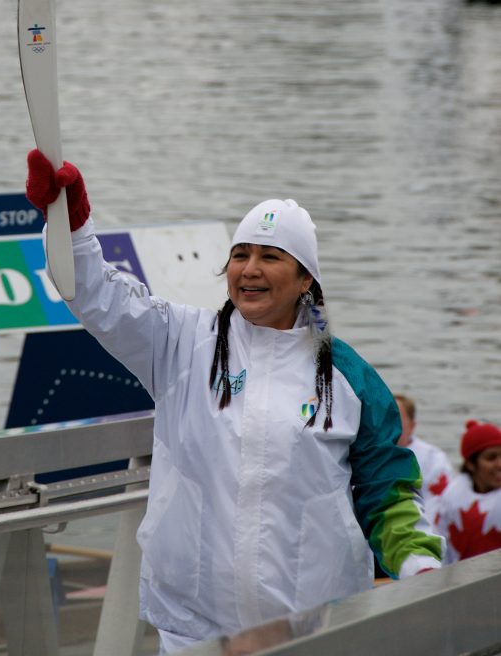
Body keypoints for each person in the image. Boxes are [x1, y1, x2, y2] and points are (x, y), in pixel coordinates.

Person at [25, 151, 444, 654]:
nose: (250, 270)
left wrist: (420, 565)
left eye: (270, 257)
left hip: (313, 630)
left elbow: (387, 492)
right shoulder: (181, 343)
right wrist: (71, 228)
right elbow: (96, 296)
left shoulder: (348, 378)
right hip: (195, 630)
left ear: (306, 277)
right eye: (241, 254)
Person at [435, 420, 501, 563]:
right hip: (462, 580)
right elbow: (440, 548)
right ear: (471, 464)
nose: (499, 464)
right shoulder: (452, 496)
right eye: (491, 458)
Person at [394, 394, 455, 521]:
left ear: (411, 426)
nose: (389, 425)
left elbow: (439, 509)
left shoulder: (434, 459)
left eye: (396, 418)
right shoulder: (365, 454)